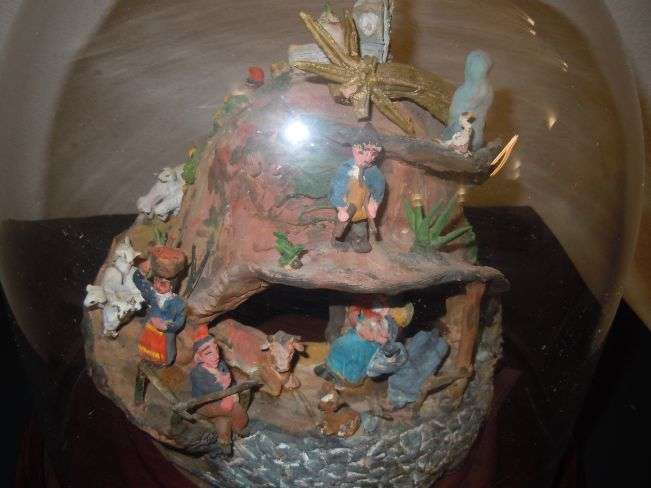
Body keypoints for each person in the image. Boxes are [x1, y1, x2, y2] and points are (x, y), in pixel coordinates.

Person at [190, 326, 249, 456]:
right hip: (203, 403)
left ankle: (224, 441)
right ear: (199, 357)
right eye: (208, 353)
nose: (216, 355)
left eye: (216, 349)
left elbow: (229, 380)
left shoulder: (220, 364)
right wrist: (229, 393)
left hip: (222, 398)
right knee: (233, 408)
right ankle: (239, 427)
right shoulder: (197, 373)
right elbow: (212, 390)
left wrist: (231, 390)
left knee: (222, 419)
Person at [329, 124, 385, 253]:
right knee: (342, 223)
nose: (367, 158)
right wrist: (341, 207)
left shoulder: (373, 172)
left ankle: (359, 240)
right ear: (354, 150)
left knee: (360, 225)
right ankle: (337, 239)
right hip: (347, 204)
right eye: (362, 153)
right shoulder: (345, 169)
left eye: (373, 154)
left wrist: (374, 203)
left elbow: (379, 187)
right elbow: (337, 188)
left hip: (362, 205)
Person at [133, 247, 187, 366]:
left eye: (162, 283)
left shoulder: (179, 303)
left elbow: (179, 322)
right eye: (156, 281)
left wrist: (166, 326)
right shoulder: (153, 294)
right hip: (149, 329)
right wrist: (141, 271)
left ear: (171, 286)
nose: (157, 286)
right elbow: (139, 282)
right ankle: (146, 358)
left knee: (164, 353)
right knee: (147, 346)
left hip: (164, 335)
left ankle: (161, 363)